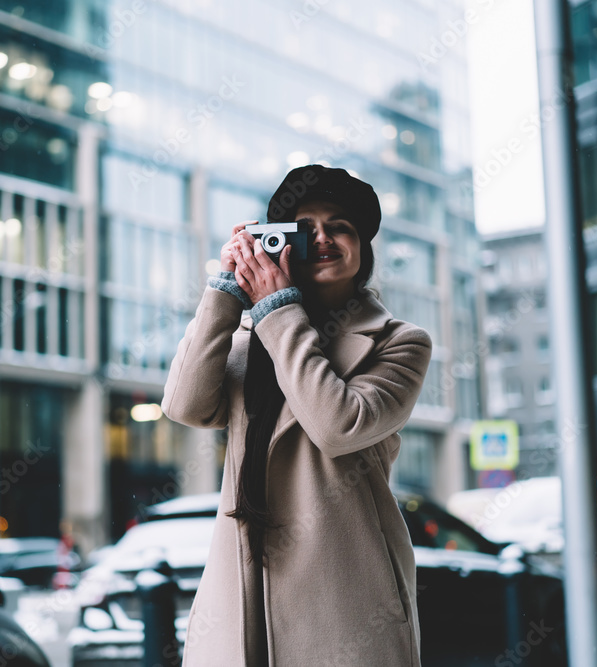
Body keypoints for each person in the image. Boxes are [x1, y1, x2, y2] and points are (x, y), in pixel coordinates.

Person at [161, 165, 432, 666]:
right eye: (304, 230)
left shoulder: (399, 341)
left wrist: (278, 309)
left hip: (342, 594)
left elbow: (338, 425)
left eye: (340, 227)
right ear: (281, 245)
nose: (323, 239)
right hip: (241, 585)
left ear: (363, 249)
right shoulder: (253, 336)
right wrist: (226, 290)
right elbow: (184, 405)